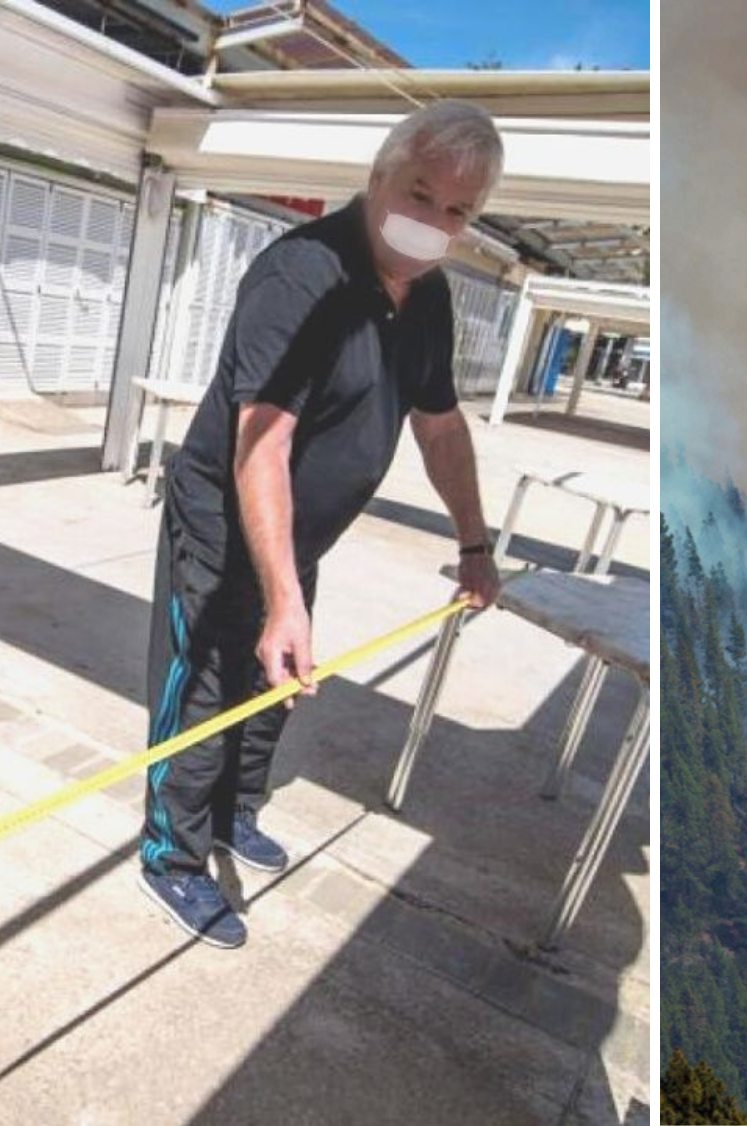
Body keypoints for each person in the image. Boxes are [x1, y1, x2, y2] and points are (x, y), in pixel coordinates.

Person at [138, 100, 506, 948]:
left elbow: (441, 427)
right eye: (420, 194)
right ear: (379, 176)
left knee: (276, 677)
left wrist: (474, 543)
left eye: (457, 210)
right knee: (205, 687)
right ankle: (172, 855)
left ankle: (234, 810)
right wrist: (280, 597)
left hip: (299, 531)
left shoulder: (429, 298)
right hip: (223, 521)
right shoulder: (302, 277)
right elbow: (262, 444)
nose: (433, 223)